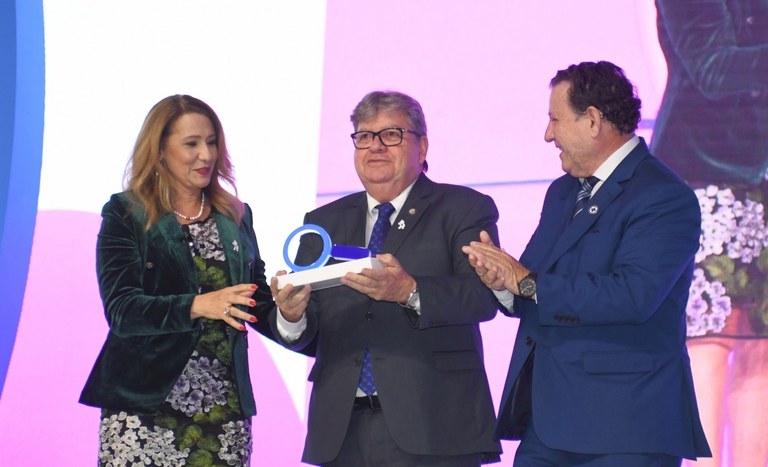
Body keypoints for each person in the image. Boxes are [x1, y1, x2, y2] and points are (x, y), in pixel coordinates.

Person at [462, 61, 712, 466]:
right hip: (548, 426)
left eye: (555, 120)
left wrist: (525, 282)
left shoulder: (664, 196)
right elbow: (533, 286)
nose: (548, 135)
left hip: (625, 428)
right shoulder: (562, 192)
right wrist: (502, 283)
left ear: (593, 120)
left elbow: (632, 296)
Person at [269, 90, 502, 466]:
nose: (375, 146)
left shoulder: (463, 208)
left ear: (422, 147)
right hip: (341, 432)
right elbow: (309, 328)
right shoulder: (323, 222)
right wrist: (291, 317)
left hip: (435, 424)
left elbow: (482, 298)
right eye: (364, 136)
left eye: (391, 134)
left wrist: (410, 291)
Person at [79, 95, 290, 466]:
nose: (206, 155)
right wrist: (198, 305)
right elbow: (123, 311)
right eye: (191, 144)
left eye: (211, 142)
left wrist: (290, 313)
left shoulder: (236, 215)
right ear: (160, 150)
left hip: (223, 414)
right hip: (144, 410)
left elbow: (253, 302)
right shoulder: (126, 213)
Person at [652, 1, 768, 465]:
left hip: (761, 184)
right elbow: (713, 68)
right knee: (707, 342)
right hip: (703, 181)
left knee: (760, 348)